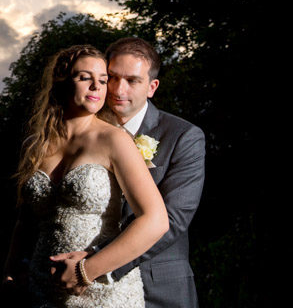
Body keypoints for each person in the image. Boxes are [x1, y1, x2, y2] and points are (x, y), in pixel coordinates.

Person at [3, 44, 168, 307]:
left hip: (99, 288)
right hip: (40, 286)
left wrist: (86, 270)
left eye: (103, 80)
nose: (96, 87)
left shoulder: (115, 140)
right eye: (84, 78)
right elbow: (25, 221)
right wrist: (11, 271)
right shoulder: (35, 144)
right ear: (62, 83)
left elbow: (156, 220)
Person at [50, 38, 205, 308]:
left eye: (132, 81)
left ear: (152, 87)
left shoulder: (183, 136)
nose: (118, 90)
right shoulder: (79, 131)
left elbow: (174, 219)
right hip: (75, 286)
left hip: (159, 288)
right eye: (112, 77)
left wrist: (95, 263)